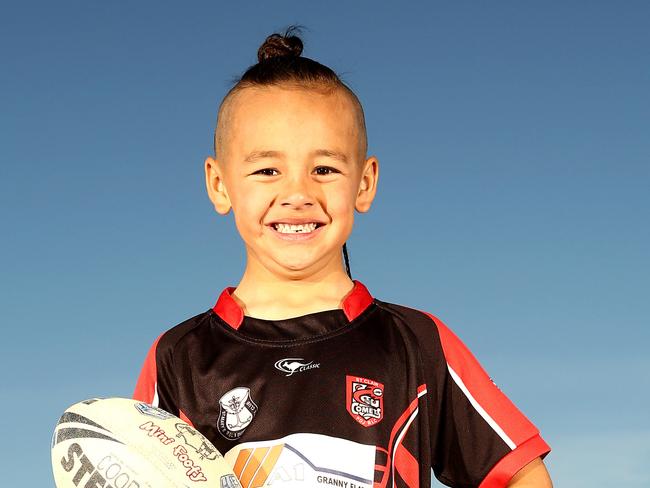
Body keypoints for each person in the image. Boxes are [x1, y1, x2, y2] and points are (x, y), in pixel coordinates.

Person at [133, 26, 552, 487]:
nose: (297, 193)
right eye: (267, 169)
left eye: (324, 169)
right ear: (219, 183)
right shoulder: (179, 356)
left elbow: (521, 475)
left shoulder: (415, 342)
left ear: (365, 182)